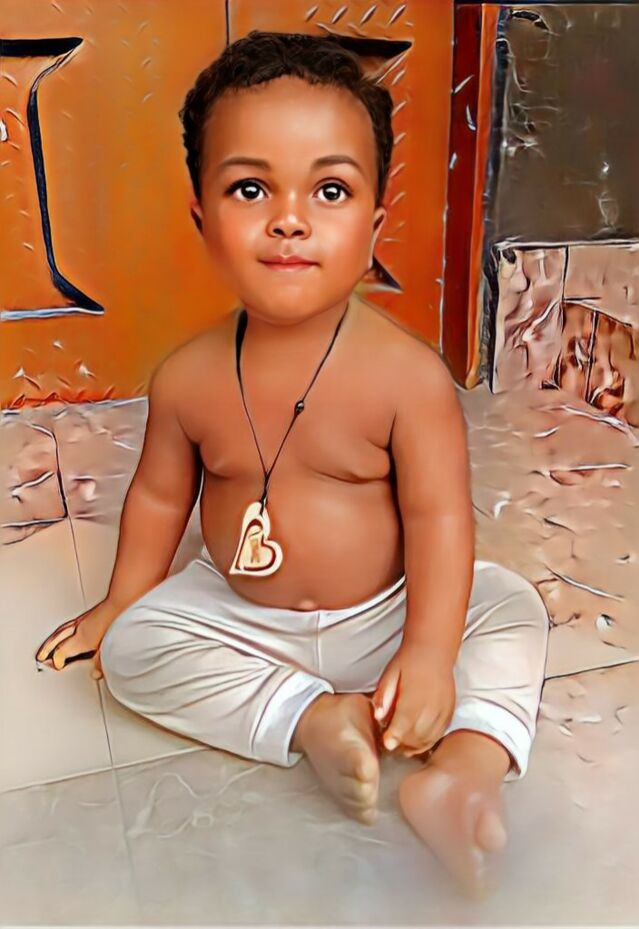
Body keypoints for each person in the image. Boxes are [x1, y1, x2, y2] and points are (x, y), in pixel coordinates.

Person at [35, 30, 549, 899]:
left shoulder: (407, 377)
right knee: (134, 650)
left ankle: (464, 769)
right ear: (201, 217)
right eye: (250, 188)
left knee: (509, 609)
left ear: (375, 224)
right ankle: (311, 717)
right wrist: (122, 600)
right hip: (244, 613)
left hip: (385, 612)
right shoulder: (188, 378)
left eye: (330, 189)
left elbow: (438, 518)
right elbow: (159, 497)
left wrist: (429, 651)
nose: (289, 219)